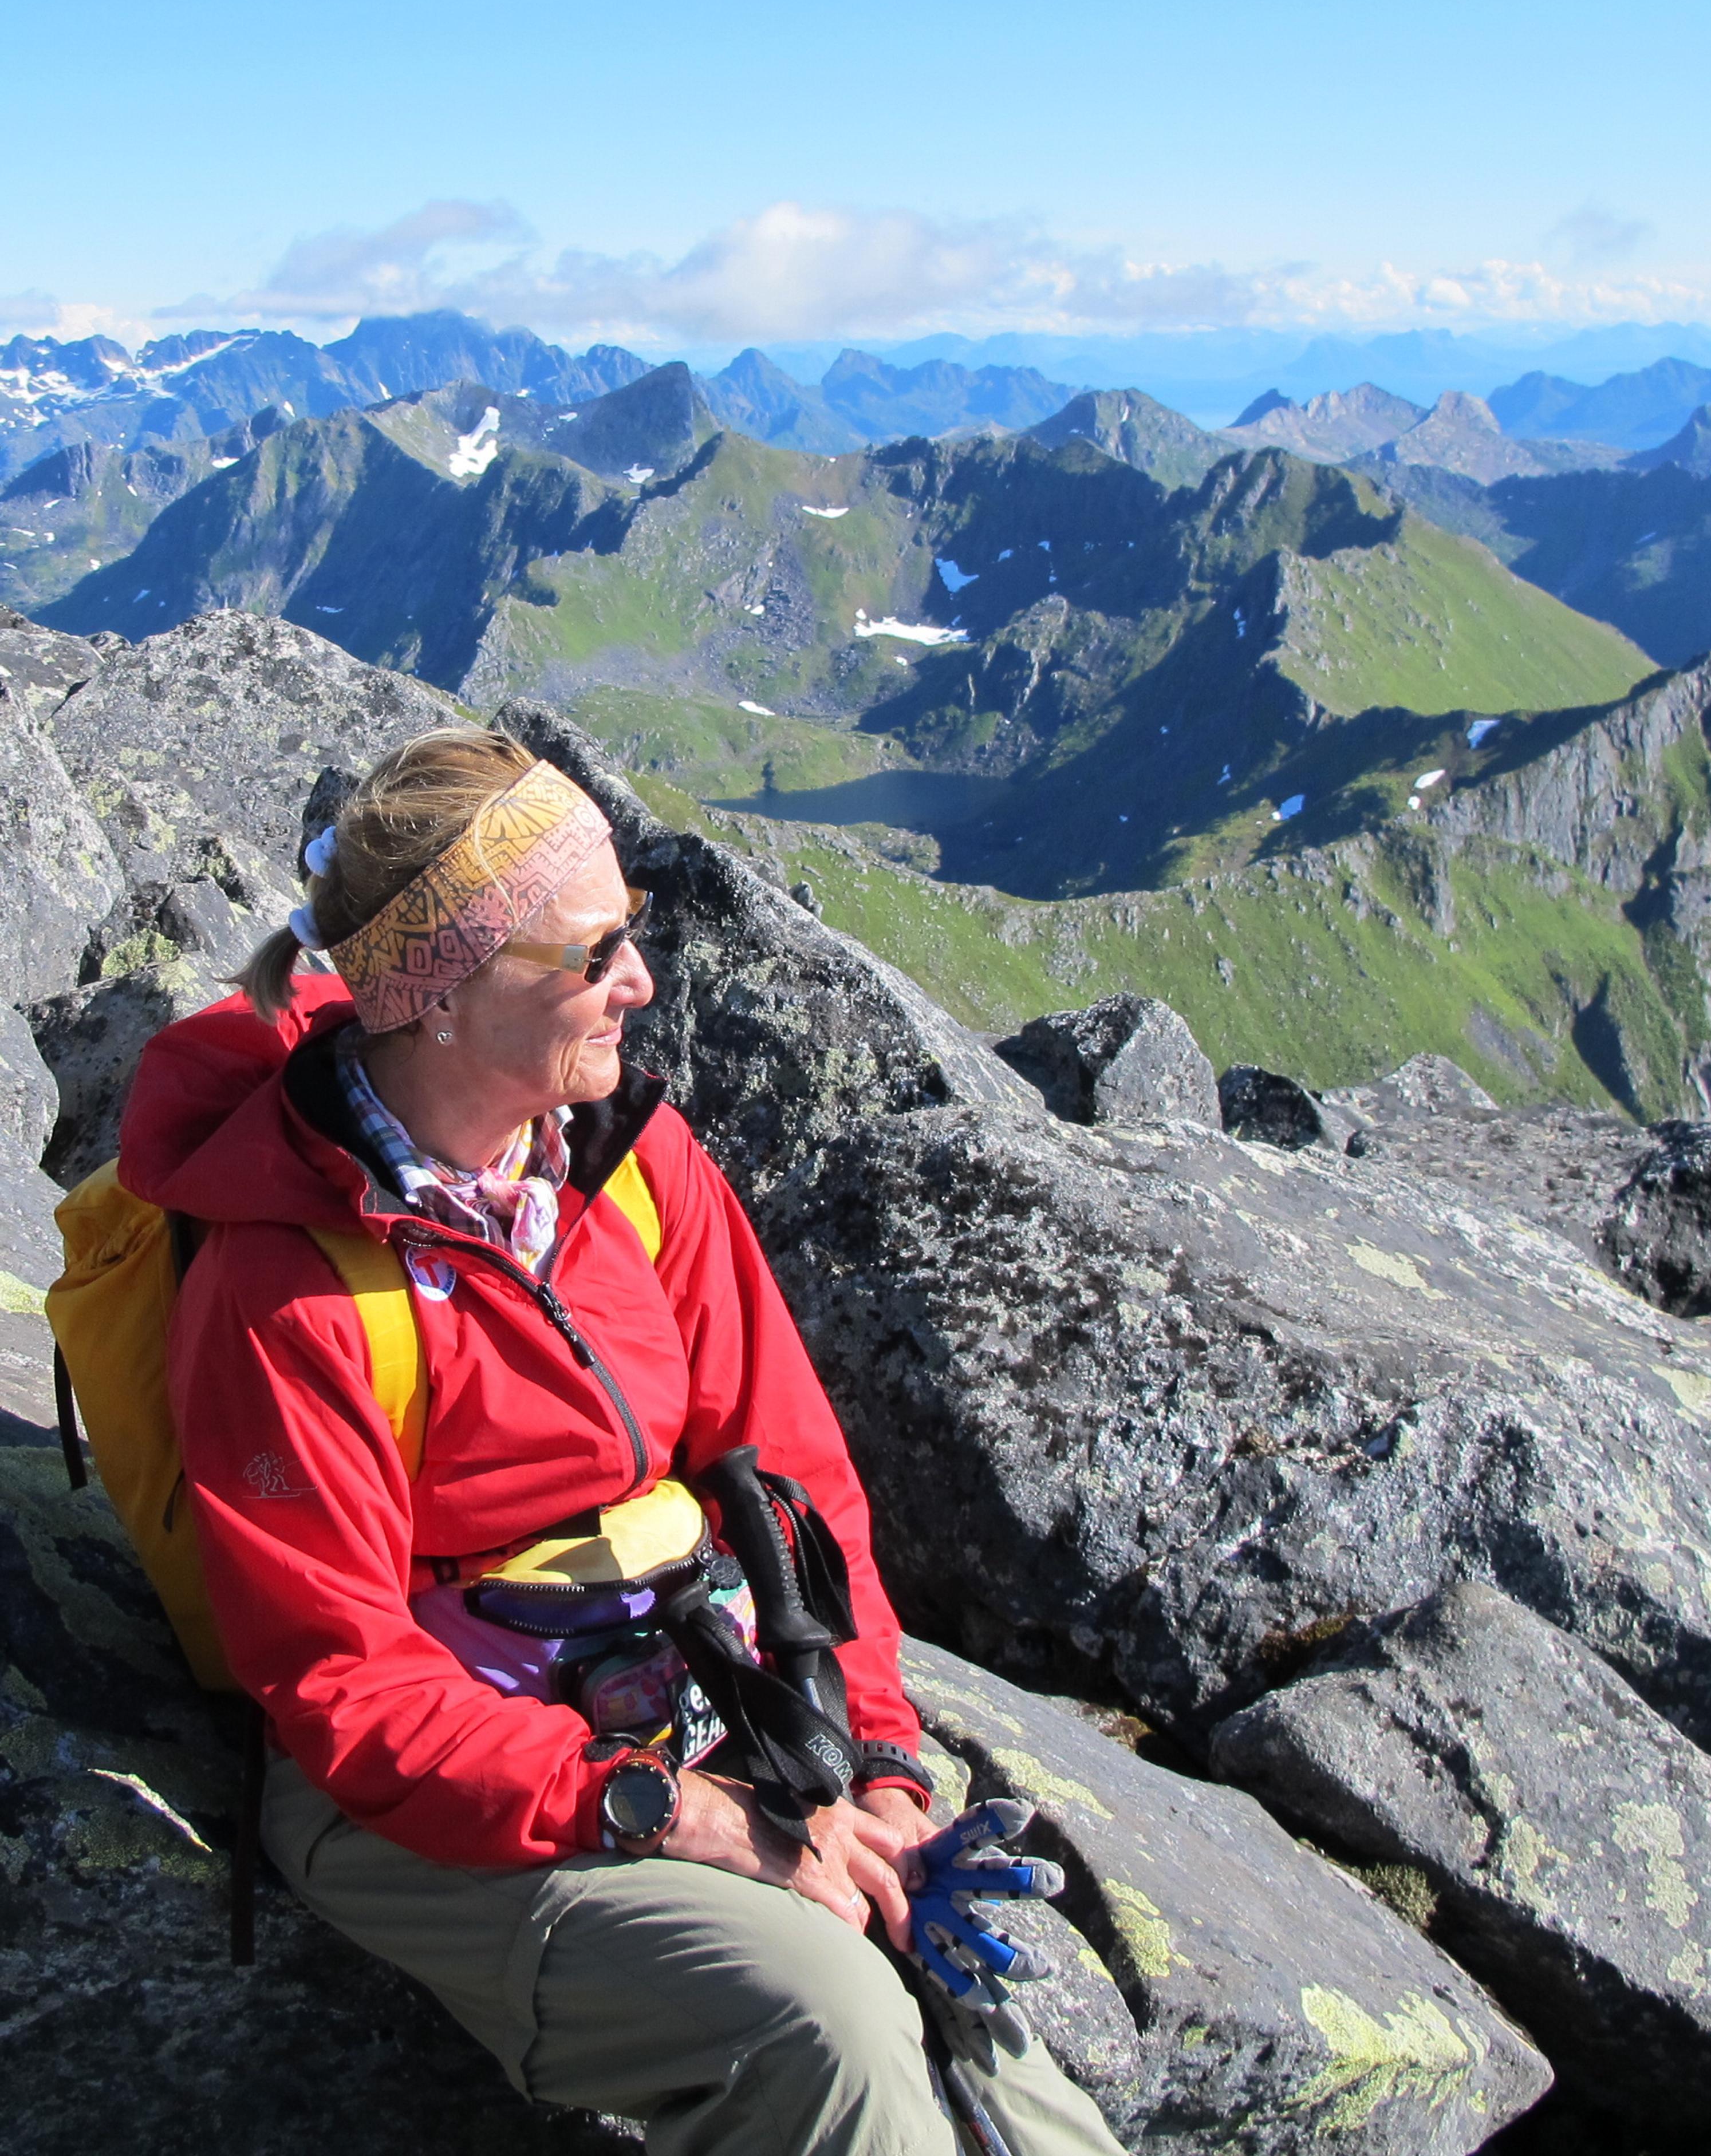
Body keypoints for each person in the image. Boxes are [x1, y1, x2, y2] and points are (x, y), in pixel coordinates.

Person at [119, 726, 1123, 2156]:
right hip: (425, 1795)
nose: (640, 982)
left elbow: (793, 1482)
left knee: (969, 2011)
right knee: (827, 2025)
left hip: (693, 1703)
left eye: (629, 930)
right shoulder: (285, 1292)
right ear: (446, 996)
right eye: (595, 953)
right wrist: (687, 1818)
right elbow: (349, 1685)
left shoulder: (635, 1164)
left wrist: (881, 1769)